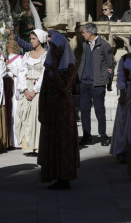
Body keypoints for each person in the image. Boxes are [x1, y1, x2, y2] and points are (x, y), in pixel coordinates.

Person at [39, 33, 79, 190]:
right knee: (51, 141)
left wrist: (55, 70)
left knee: (63, 141)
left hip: (63, 108)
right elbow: (44, 90)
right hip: (50, 108)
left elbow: (65, 86)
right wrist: (41, 110)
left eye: (55, 48)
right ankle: (52, 173)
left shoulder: (70, 66)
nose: (52, 50)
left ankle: (64, 177)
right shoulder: (48, 66)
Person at [78, 22, 114, 146]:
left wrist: (108, 82)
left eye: (83, 32)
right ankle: (86, 136)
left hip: (98, 84)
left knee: (99, 110)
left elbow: (110, 64)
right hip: (85, 83)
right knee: (84, 110)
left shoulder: (104, 45)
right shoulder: (85, 45)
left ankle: (103, 136)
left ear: (89, 33)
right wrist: (80, 77)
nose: (82, 34)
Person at [14, 29, 47, 155]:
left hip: (38, 88)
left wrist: (34, 90)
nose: (31, 41)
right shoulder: (27, 55)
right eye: (31, 39)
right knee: (24, 116)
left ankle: (37, 146)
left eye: (34, 39)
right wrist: (25, 89)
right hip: (27, 87)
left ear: (40, 39)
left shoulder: (45, 55)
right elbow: (22, 72)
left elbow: (44, 74)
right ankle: (28, 146)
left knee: (36, 118)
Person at [110, 42, 131, 162]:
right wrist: (122, 93)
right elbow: (121, 77)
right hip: (127, 92)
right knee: (123, 120)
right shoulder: (124, 59)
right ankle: (123, 149)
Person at [5, 36, 24, 148]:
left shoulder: (19, 59)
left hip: (15, 86)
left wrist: (9, 66)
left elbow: (19, 72)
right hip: (7, 87)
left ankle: (16, 140)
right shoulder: (5, 58)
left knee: (16, 113)